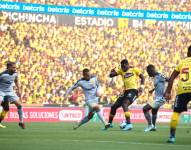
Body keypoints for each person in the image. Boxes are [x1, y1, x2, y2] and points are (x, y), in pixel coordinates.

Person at [105, 59, 145, 131]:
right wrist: (112, 71)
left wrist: (142, 86)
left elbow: (142, 77)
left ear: (127, 65)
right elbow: (111, 75)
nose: (123, 68)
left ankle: (129, 124)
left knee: (124, 104)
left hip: (133, 90)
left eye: (124, 66)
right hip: (126, 91)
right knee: (114, 107)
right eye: (122, 67)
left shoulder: (134, 69)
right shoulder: (121, 70)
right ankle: (110, 123)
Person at [165, 45, 191, 143]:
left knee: (176, 113)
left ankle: (172, 137)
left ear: (187, 53)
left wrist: (168, 91)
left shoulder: (182, 62)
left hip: (182, 90)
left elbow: (171, 78)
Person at [0, 61, 25, 129]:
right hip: (1, 91)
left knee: (19, 105)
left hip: (10, 92)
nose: (15, 69)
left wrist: (19, 90)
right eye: (13, 67)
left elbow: (16, 81)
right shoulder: (2, 75)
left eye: (15, 67)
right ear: (8, 67)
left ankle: (21, 122)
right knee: (4, 106)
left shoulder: (15, 74)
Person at [143, 64, 168, 132]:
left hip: (161, 98)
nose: (148, 73)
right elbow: (159, 84)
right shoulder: (155, 77)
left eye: (148, 72)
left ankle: (150, 125)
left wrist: (168, 91)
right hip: (158, 98)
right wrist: (153, 90)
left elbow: (169, 80)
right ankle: (153, 126)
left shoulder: (160, 75)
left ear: (151, 70)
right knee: (154, 111)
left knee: (145, 109)